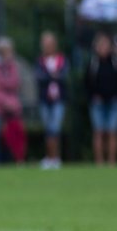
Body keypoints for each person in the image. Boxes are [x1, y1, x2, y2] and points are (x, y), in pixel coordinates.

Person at [85, 31, 117, 166]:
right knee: (99, 131)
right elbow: (87, 83)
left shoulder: (116, 62)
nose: (103, 47)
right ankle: (99, 162)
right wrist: (93, 97)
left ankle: (111, 161)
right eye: (100, 45)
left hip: (113, 101)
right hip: (98, 103)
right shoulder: (93, 63)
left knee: (112, 131)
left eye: (106, 44)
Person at [0, 36, 25, 165]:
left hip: (11, 108)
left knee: (10, 136)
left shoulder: (13, 65)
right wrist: (5, 100)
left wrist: (2, 84)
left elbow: (15, 82)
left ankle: (10, 161)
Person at [35, 31, 68, 169]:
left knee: (55, 128)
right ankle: (49, 157)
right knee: (48, 129)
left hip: (58, 99)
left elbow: (64, 76)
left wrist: (52, 76)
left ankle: (56, 157)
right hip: (45, 99)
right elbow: (39, 77)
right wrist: (53, 76)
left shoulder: (62, 59)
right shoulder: (40, 61)